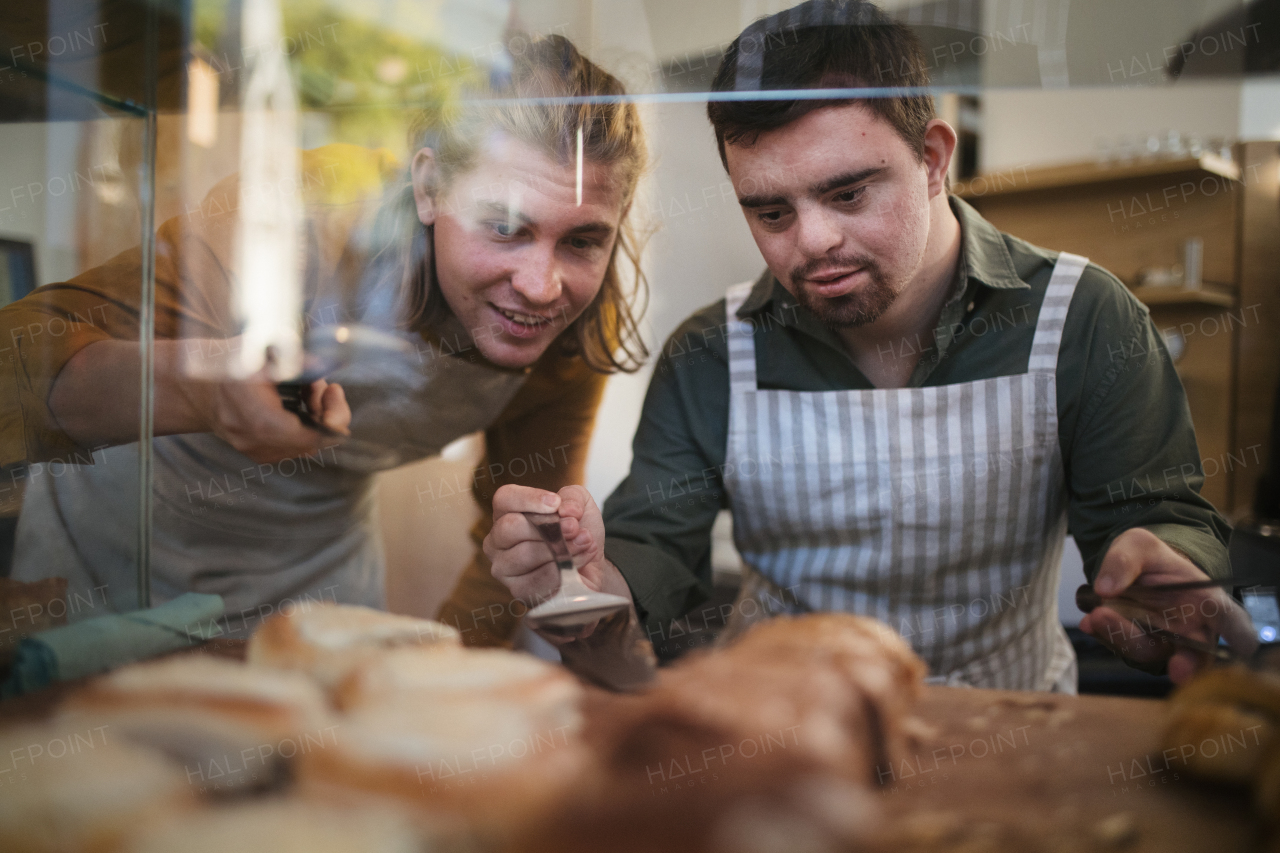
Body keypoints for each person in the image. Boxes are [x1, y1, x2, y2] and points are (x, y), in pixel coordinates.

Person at [480, 1, 1255, 690]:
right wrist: (578, 587)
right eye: (771, 212)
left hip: (1003, 737)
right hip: (784, 742)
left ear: (932, 159)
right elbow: (649, 565)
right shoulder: (712, 352)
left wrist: (1160, 578)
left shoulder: (1081, 317)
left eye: (849, 192)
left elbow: (1154, 516)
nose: (814, 242)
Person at [0, 35, 648, 639]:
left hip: (319, 571)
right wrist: (198, 390)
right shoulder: (298, 209)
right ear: (427, 187)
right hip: (116, 548)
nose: (541, 285)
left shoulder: (572, 326)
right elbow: (17, 358)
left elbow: (527, 533)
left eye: (584, 239)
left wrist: (446, 668)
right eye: (505, 226)